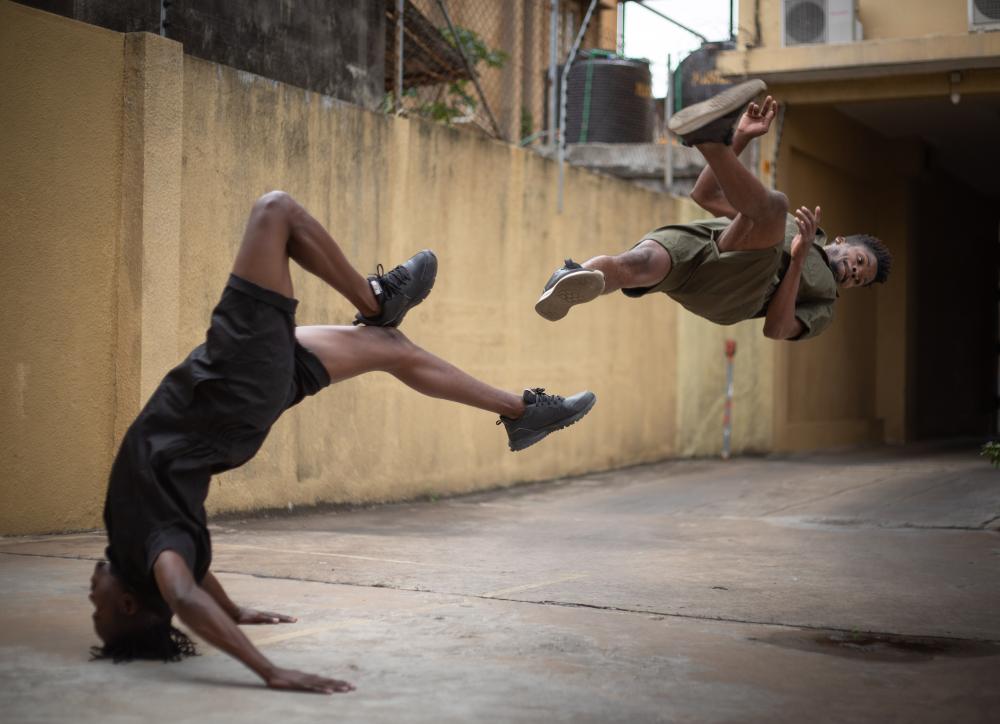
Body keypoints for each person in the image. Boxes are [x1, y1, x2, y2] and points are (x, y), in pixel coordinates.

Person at [90, 191, 596, 693]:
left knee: (390, 348)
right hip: (230, 380)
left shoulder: (142, 548)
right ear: (129, 605)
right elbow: (182, 593)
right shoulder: (155, 549)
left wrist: (235, 610)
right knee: (275, 211)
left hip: (237, 406)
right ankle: (376, 298)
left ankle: (523, 413)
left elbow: (193, 581)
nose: (93, 595)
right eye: (100, 609)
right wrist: (270, 671)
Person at [534, 80, 892, 341]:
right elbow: (703, 194)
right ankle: (570, 277)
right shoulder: (792, 226)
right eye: (859, 261)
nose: (853, 273)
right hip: (708, 244)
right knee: (636, 264)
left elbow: (776, 329)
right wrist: (744, 137)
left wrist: (797, 261)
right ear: (842, 241)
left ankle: (708, 140)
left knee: (774, 205)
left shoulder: (825, 303)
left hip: (731, 293)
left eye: (859, 279)